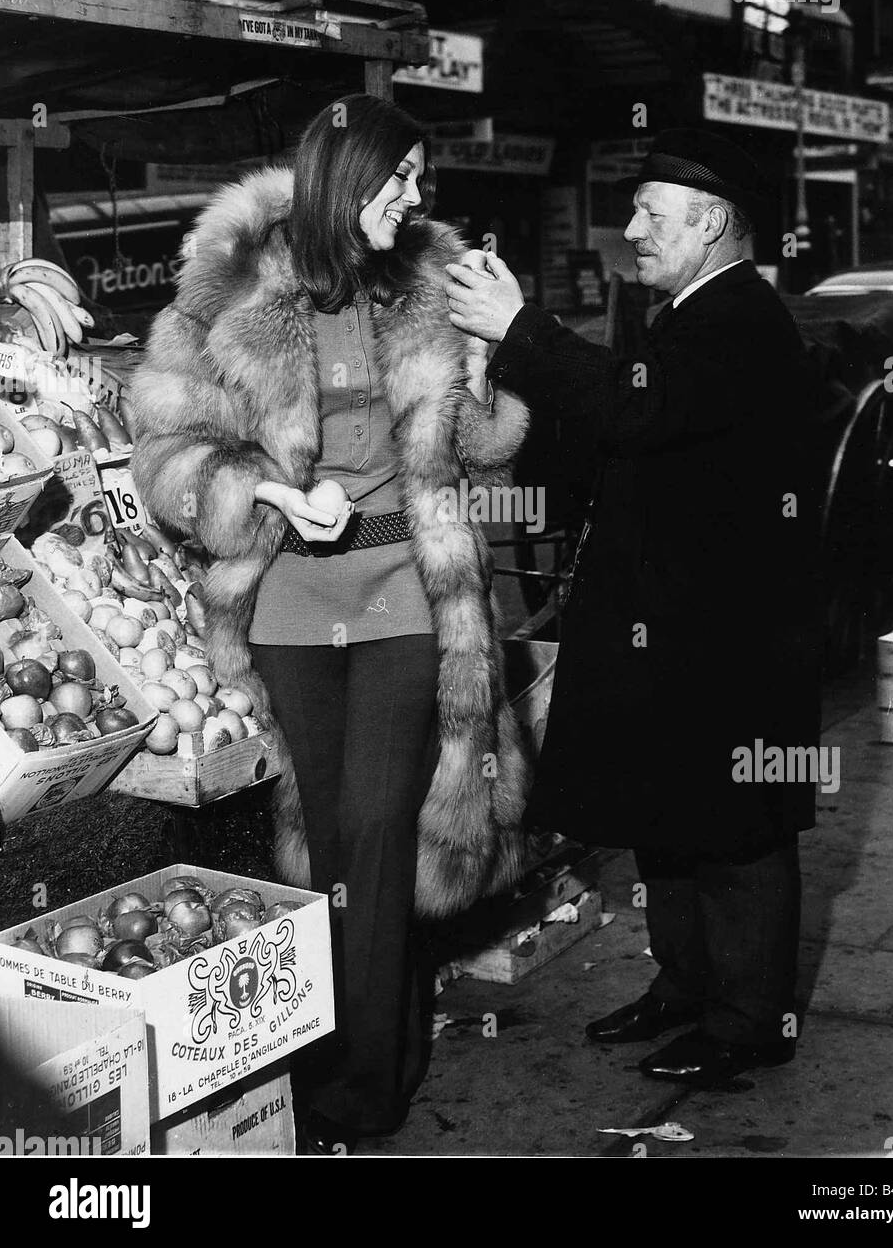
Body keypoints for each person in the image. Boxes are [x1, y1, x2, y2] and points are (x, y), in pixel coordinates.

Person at [130, 94, 531, 1151]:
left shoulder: (434, 279)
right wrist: (267, 495)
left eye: (419, 180)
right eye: (397, 179)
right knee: (323, 838)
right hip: (293, 604)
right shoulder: (226, 289)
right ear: (343, 182)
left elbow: (487, 448)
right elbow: (165, 462)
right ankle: (361, 1045)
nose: (416, 196)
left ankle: (357, 1092)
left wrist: (492, 365)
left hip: (411, 587)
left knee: (378, 822)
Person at [445, 128, 823, 1086]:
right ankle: (686, 988)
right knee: (674, 817)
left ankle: (746, 1022)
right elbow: (631, 433)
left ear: (710, 222)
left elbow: (637, 409)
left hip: (729, 638)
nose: (630, 230)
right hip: (684, 629)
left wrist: (521, 329)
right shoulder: (697, 312)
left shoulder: (739, 318)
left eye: (650, 214)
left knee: (736, 834)